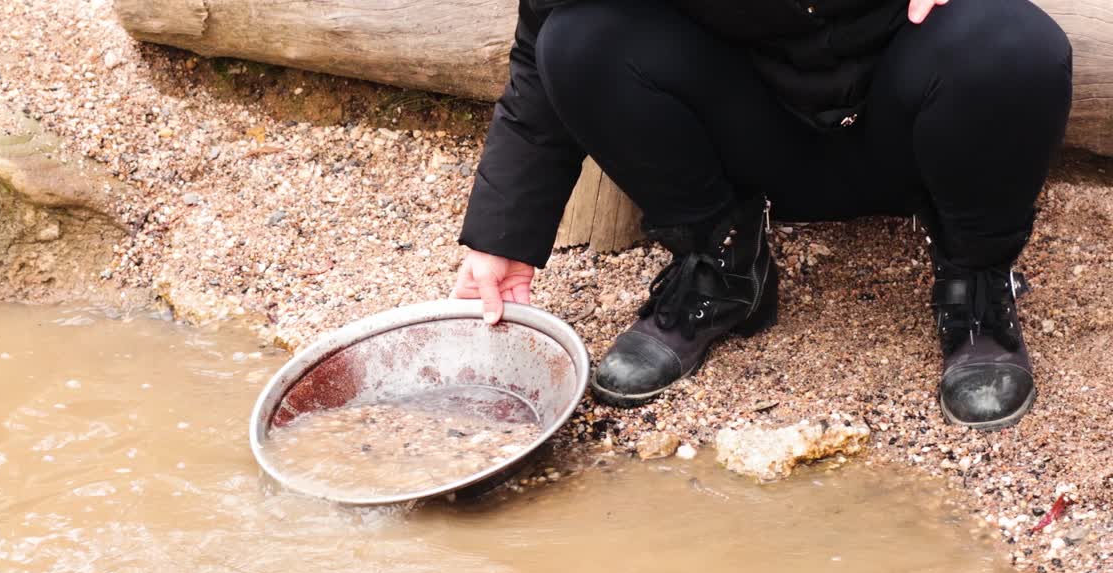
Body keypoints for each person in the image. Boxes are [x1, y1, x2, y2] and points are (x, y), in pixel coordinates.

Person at [450, 0, 1073, 431]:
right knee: (579, 39)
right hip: (754, 135)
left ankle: (975, 280)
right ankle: (722, 268)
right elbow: (538, 57)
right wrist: (502, 237)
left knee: (1016, 45)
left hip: (909, 122)